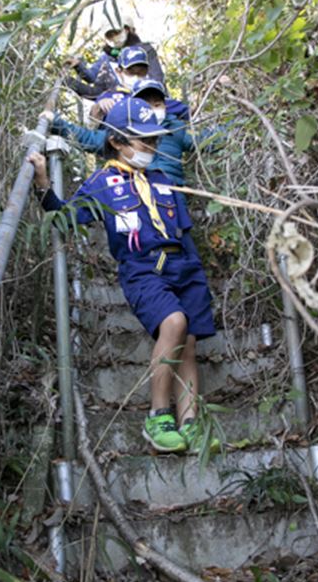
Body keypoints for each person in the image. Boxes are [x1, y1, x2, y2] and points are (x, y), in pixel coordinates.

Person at [28, 97, 219, 455]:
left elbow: (184, 229)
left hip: (184, 265)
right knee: (173, 323)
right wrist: (42, 184)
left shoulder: (162, 179)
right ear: (116, 141)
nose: (152, 147)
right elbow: (69, 217)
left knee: (189, 342)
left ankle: (192, 421)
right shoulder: (103, 182)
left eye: (155, 141)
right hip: (142, 268)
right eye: (143, 141)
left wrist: (196, 271)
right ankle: (159, 415)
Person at [51, 72, 216, 186]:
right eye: (146, 104)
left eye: (157, 103)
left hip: (173, 198)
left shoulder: (177, 128)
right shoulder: (123, 134)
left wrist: (238, 125)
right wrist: (54, 122)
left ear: (165, 105)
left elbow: (207, 140)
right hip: (134, 199)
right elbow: (86, 137)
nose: (152, 108)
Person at [65, 15, 165, 99]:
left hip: (149, 102)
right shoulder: (107, 57)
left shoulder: (145, 50)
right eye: (110, 35)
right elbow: (93, 80)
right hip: (119, 108)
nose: (114, 37)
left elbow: (157, 79)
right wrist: (76, 68)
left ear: (127, 30)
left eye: (116, 32)